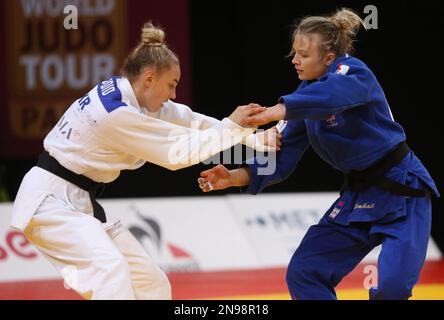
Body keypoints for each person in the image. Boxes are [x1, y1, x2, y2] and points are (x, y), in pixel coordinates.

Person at [10, 22, 279, 300]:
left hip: (80, 202)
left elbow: (191, 120)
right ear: (149, 78)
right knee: (109, 272)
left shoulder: (130, 95)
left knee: (151, 283)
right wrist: (231, 126)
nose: (174, 94)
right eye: (171, 85)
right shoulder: (114, 112)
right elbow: (177, 155)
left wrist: (253, 138)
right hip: (50, 203)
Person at [197, 9, 439, 300]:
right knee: (305, 271)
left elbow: (333, 97)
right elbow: (279, 153)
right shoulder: (304, 98)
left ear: (328, 58)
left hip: (402, 191)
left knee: (392, 289)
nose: (295, 61)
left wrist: (277, 110)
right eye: (293, 53)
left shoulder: (353, 74)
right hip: (358, 197)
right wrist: (233, 176)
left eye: (303, 54)